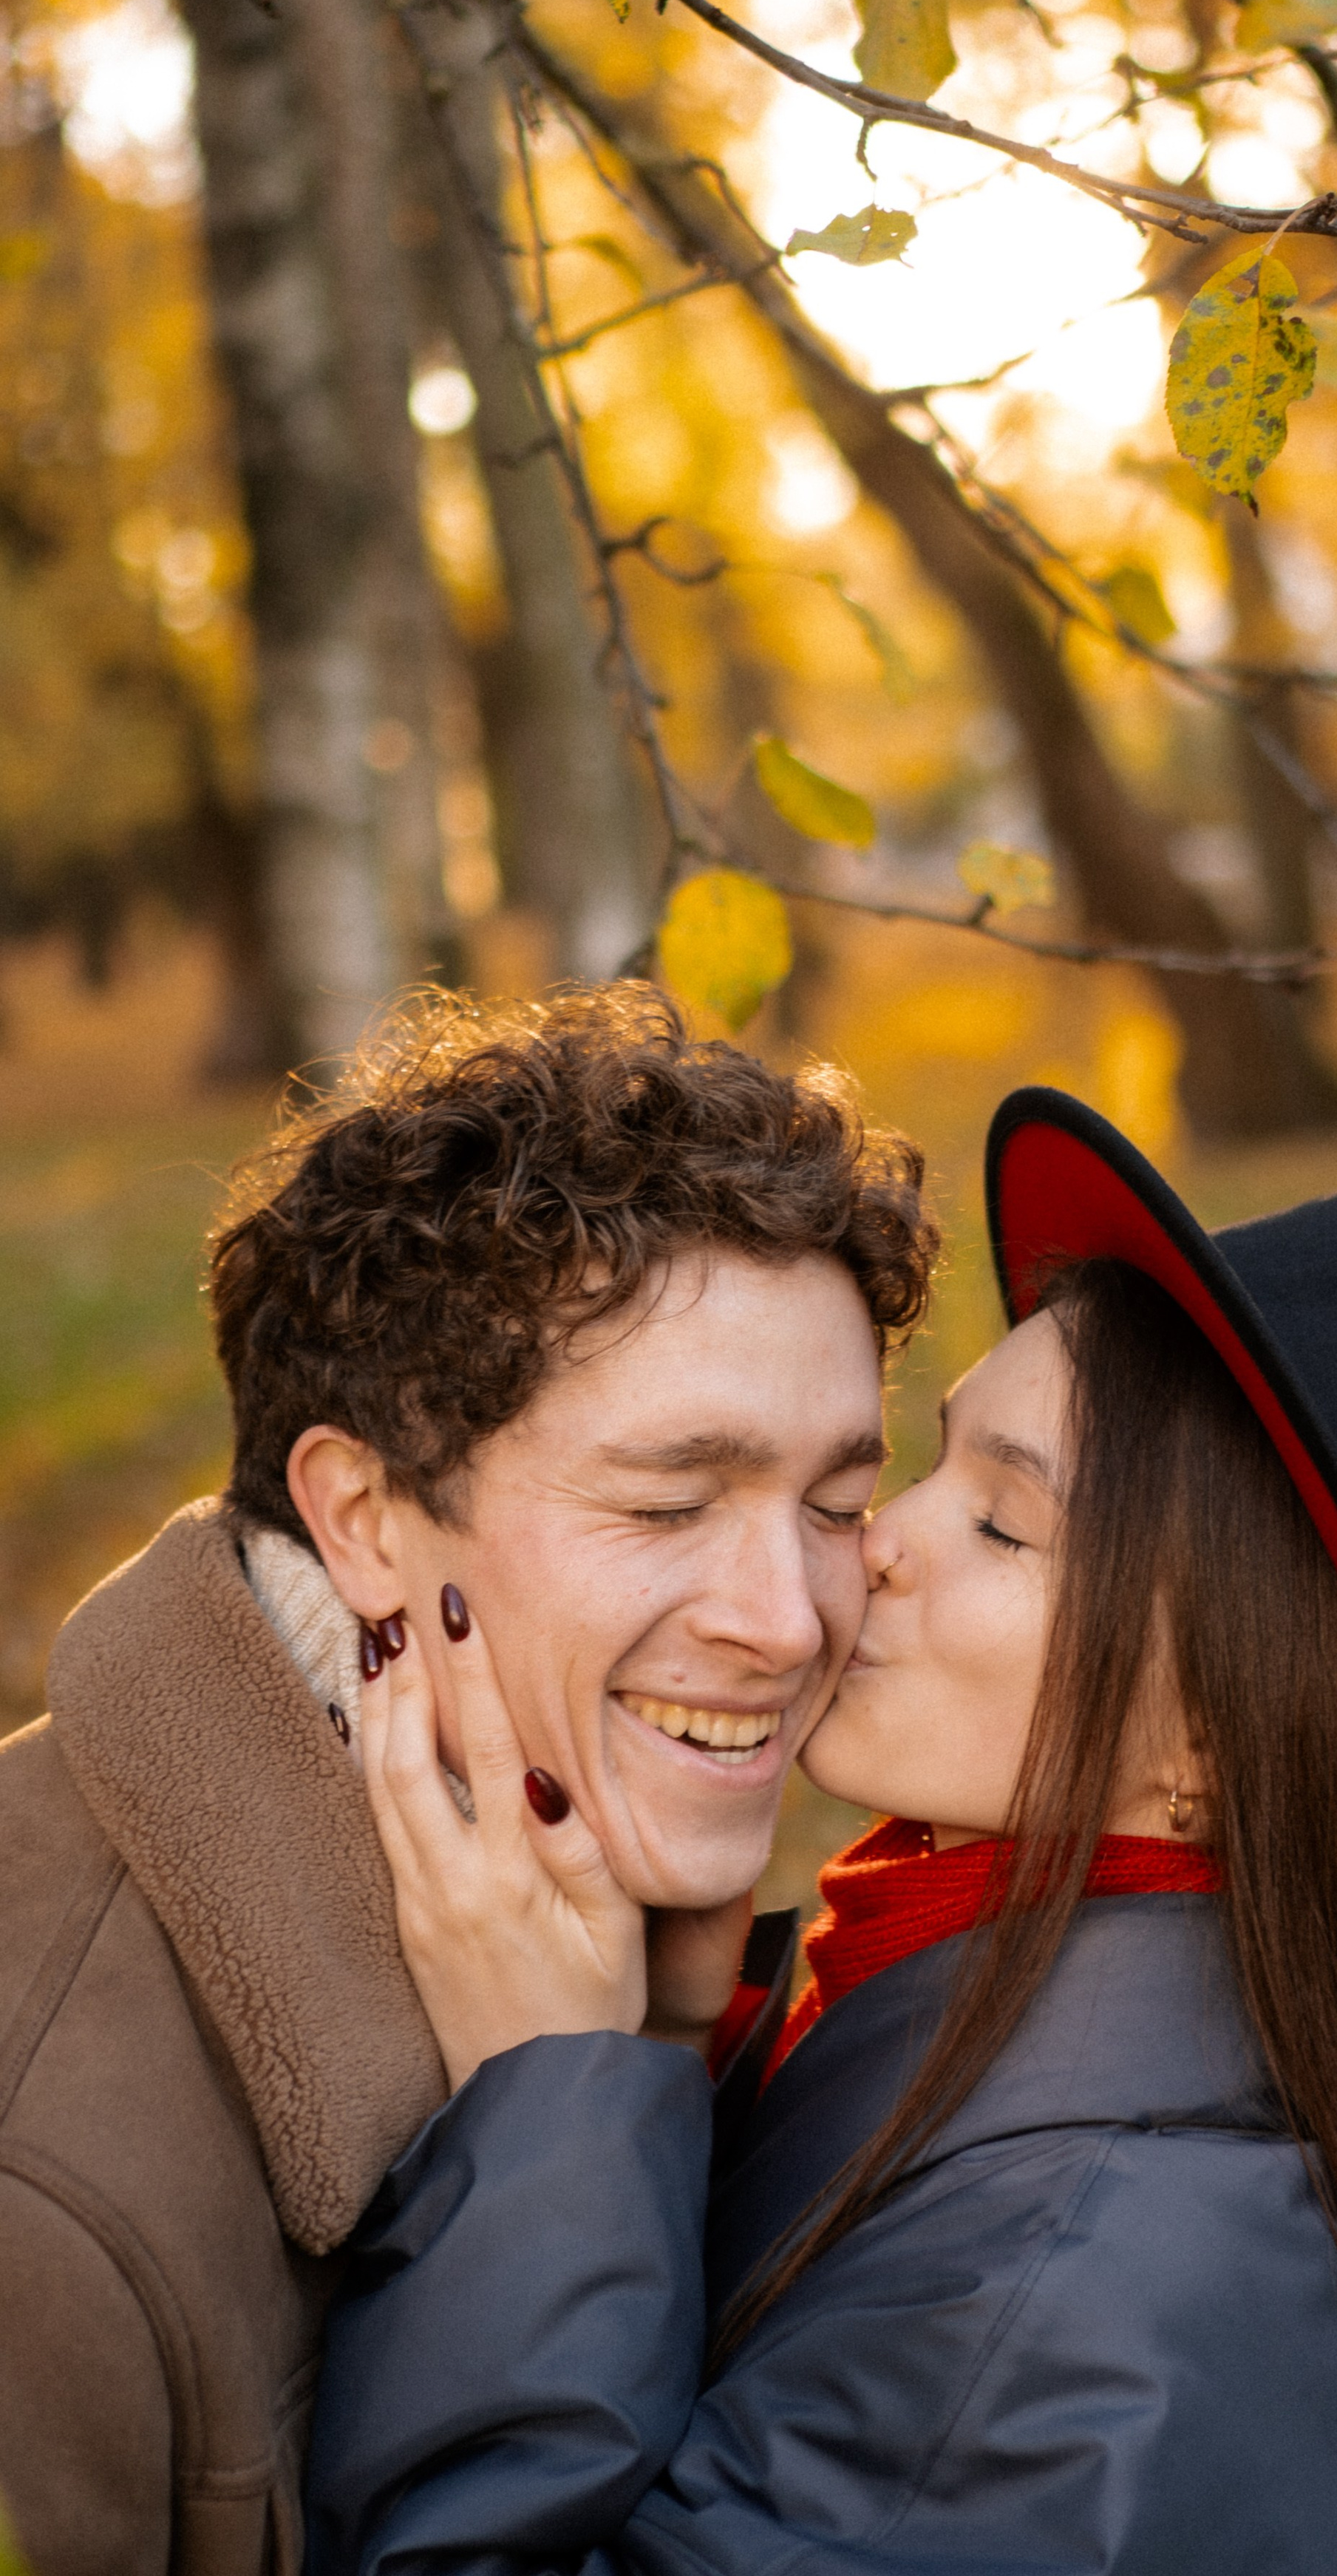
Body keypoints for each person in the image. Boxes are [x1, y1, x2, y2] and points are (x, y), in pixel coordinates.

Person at [304, 1085, 1337, 2576]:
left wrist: (541, 2106)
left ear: (1214, 1748)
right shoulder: (1004, 2035)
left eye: (1003, 1526)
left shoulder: (1062, 2310)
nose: (871, 1547)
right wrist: (679, 2047)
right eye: (923, 1466)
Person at [0, 986, 936, 2576]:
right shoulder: (44, 2206)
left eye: (838, 1504)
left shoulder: (639, 1961)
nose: (788, 1623)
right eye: (664, 1506)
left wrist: (651, 2070)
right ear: (363, 1520)